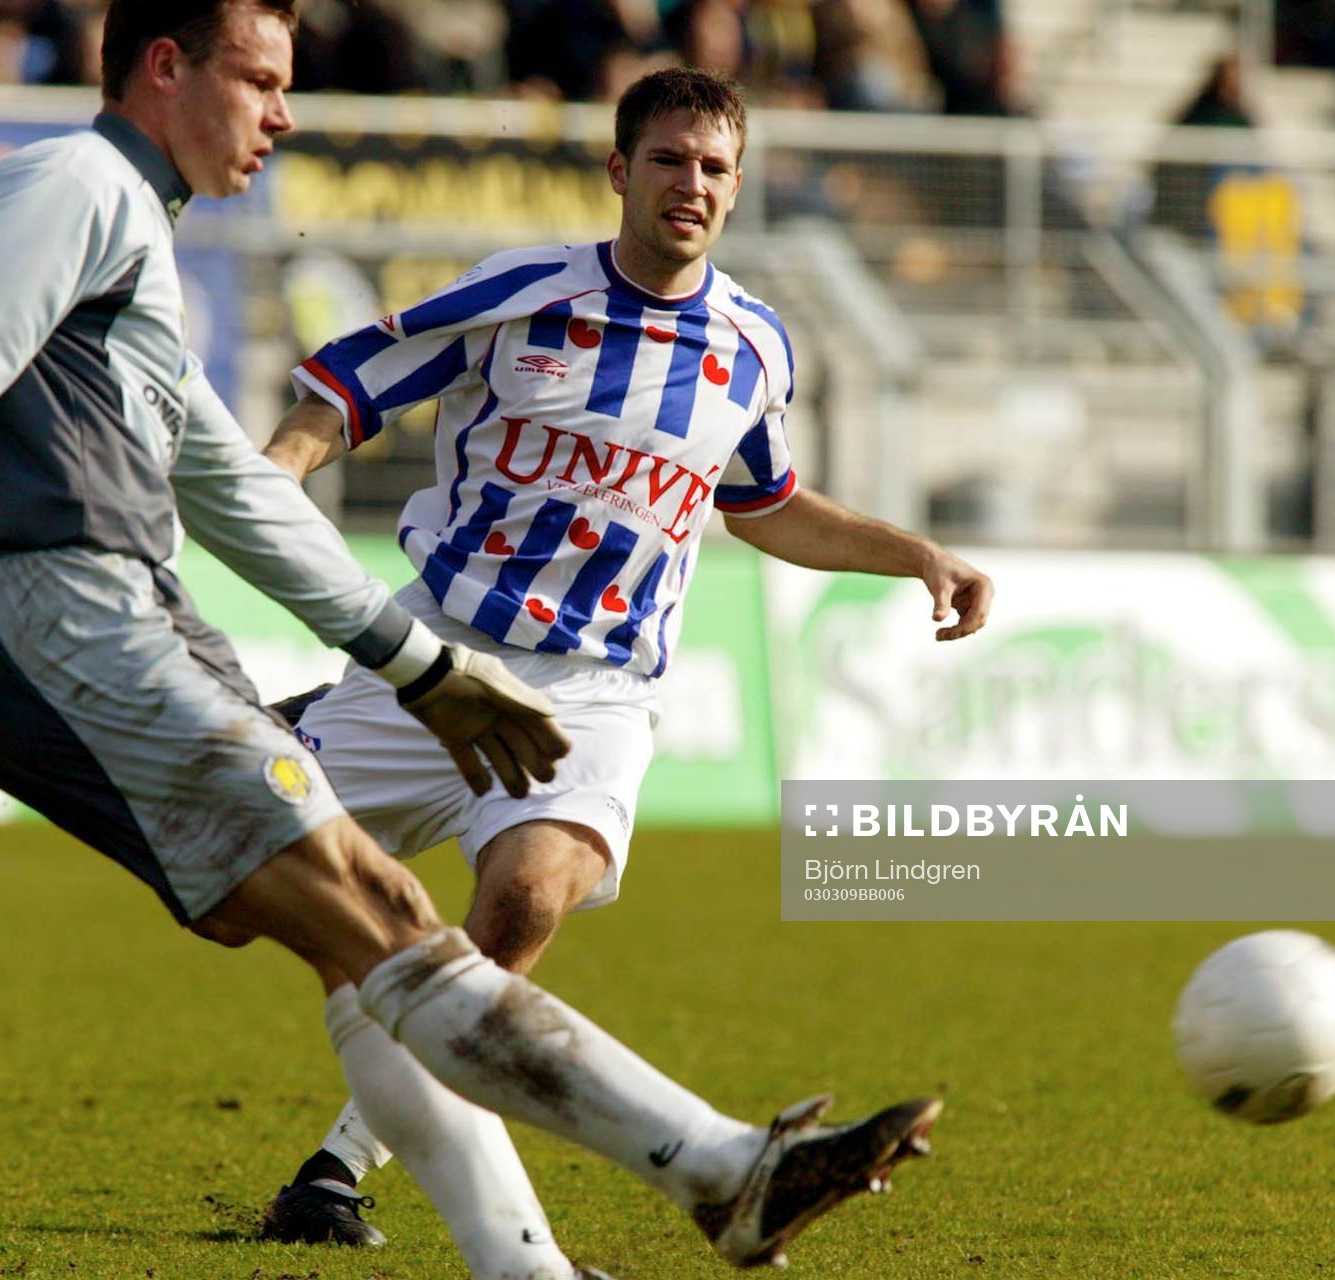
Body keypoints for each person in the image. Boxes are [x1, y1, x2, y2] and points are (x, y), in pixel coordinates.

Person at [0, 7, 941, 1277]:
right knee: (380, 915)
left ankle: (564, 1231)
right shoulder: (78, 181)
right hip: (72, 620)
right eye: (261, 81)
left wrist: (420, 669)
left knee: (376, 930)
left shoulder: (139, 247)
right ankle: (721, 1173)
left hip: (120, 624)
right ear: (166, 67)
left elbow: (228, 483)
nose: (283, 114)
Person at [258, 65, 991, 1251]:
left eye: (712, 167)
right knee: (249, 895)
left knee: (521, 902)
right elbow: (354, 379)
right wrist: (279, 472)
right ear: (618, 171)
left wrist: (915, 556)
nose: (689, 184)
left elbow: (764, 503)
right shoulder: (525, 292)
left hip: (596, 689)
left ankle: (340, 1164)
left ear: (738, 186)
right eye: (667, 160)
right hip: (434, 660)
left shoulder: (752, 346)